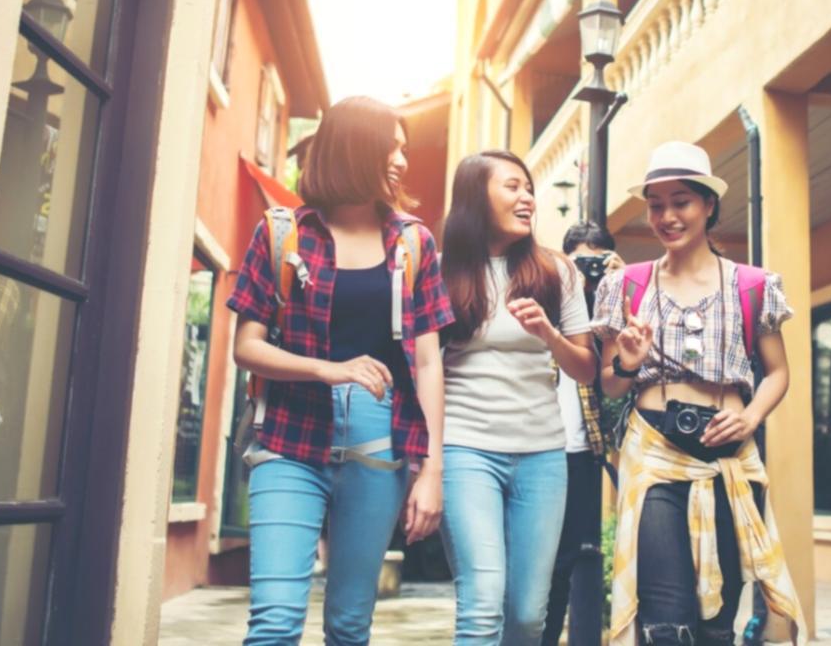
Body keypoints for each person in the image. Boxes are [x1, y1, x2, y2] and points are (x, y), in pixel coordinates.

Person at [226, 96, 453, 646]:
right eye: (391, 147)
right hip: (288, 441)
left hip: (380, 447)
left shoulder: (413, 243)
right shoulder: (284, 234)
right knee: (275, 622)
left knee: (350, 626)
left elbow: (427, 361)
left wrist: (432, 470)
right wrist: (326, 369)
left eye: (404, 147)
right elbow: (246, 347)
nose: (401, 160)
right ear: (355, 149)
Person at [592, 141, 807, 645]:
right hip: (654, 457)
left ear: (709, 205)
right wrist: (628, 359)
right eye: (656, 204)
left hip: (728, 458)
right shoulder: (627, 286)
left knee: (717, 621)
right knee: (666, 618)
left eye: (681, 201)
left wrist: (751, 417)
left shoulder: (753, 286)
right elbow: (608, 384)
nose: (667, 216)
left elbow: (777, 373)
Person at [438, 150, 597, 645]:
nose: (527, 197)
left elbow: (587, 369)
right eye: (512, 186)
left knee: (529, 613)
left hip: (542, 455)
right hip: (465, 447)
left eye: (529, 188)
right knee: (483, 600)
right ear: (474, 196)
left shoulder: (558, 272)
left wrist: (550, 334)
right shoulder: (441, 274)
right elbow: (422, 369)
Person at [541, 221, 622, 646]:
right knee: (538, 563)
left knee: (570, 560)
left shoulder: (610, 307)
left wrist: (617, 287)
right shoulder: (549, 299)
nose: (588, 271)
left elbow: (622, 376)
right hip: (539, 449)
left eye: (596, 260)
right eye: (580, 262)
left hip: (583, 453)